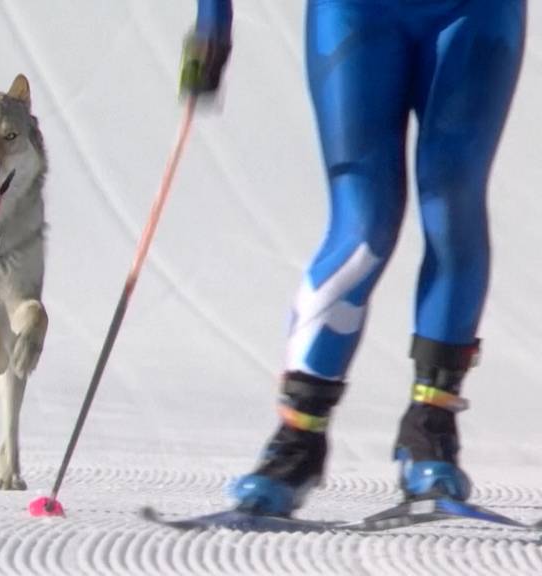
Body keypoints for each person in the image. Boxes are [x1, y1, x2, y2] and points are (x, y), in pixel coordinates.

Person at [181, 0, 527, 517]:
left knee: (451, 201)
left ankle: (430, 429)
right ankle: (298, 439)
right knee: (364, 220)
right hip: (356, 13)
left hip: (475, 12)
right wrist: (213, 22)